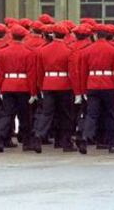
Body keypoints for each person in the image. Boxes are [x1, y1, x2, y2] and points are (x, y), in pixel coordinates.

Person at [77, 24, 114, 154]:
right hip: (109, 84)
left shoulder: (87, 50)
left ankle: (85, 138)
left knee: (91, 114)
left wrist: (82, 89)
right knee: (110, 115)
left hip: (92, 84)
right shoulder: (113, 50)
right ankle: (111, 144)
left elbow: (83, 72)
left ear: (96, 35)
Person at [32, 24, 79, 153]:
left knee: (47, 113)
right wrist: (77, 91)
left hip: (48, 83)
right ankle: (66, 142)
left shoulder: (43, 50)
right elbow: (73, 73)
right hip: (64, 84)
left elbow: (39, 71)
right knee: (65, 115)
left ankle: (38, 135)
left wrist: (41, 86)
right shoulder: (69, 50)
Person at [0, 25, 37, 153]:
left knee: (6, 114)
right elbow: (31, 74)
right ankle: (26, 142)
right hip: (23, 85)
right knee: (24, 116)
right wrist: (33, 92)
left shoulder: (3, 51)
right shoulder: (28, 52)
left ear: (12, 36)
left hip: (7, 84)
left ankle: (0, 138)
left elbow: (1, 73)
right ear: (24, 37)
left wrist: (1, 88)